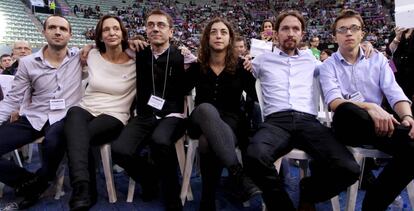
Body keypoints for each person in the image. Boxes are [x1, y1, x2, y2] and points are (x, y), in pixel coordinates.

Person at [245, 10, 360, 211]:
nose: (291, 33)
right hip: (276, 123)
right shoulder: (262, 60)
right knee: (254, 156)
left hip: (309, 122)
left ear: (302, 34)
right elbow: (238, 67)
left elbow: (343, 62)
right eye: (285, 28)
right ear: (276, 33)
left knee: (349, 169)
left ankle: (308, 191)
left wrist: (363, 47)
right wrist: (244, 61)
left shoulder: (313, 62)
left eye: (295, 29)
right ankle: (283, 206)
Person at [319, 9, 414, 211]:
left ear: (362, 33)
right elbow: (334, 102)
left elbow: (394, 92)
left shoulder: (377, 60)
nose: (349, 33)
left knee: (412, 150)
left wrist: (407, 116)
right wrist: (371, 107)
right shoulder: (328, 65)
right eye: (342, 29)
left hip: (380, 128)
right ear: (335, 36)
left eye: (354, 28)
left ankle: (373, 204)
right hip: (349, 127)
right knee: (346, 111)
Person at [0, 15, 83, 210]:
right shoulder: (27, 63)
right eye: (52, 27)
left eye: (63, 29)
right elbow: (13, 98)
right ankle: (32, 182)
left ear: (70, 35)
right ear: (44, 32)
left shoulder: (79, 57)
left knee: (53, 142)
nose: (57, 32)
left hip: (64, 116)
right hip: (34, 116)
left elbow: (111, 48)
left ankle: (37, 183)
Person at [110, 9, 187, 211]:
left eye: (161, 25)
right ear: (146, 29)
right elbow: (106, 46)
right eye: (151, 25)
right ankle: (150, 178)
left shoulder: (183, 56)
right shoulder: (138, 52)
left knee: (160, 141)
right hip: (144, 115)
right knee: (119, 151)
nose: (155, 29)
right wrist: (88, 48)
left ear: (171, 31)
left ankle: (172, 195)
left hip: (172, 115)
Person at [184, 17, 260, 211]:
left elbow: (257, 96)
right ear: (207, 38)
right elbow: (177, 90)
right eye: (214, 32)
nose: (218, 36)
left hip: (231, 123)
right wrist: (179, 62)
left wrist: (259, 69)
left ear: (230, 39)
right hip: (199, 120)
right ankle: (238, 173)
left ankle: (207, 199)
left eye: (223, 32)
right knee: (205, 108)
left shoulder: (242, 67)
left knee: (207, 141)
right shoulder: (196, 67)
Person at [64, 15, 135, 210]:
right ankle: (83, 185)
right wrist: (87, 47)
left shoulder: (136, 59)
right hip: (87, 106)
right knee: (73, 114)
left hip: (115, 113)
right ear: (100, 36)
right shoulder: (92, 55)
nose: (111, 33)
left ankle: (83, 189)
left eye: (116, 29)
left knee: (79, 136)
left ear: (122, 33)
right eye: (106, 30)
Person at [386, 27, 414, 109]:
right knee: (395, 93)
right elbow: (389, 52)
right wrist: (397, 37)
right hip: (395, 68)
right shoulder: (396, 31)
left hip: (411, 72)